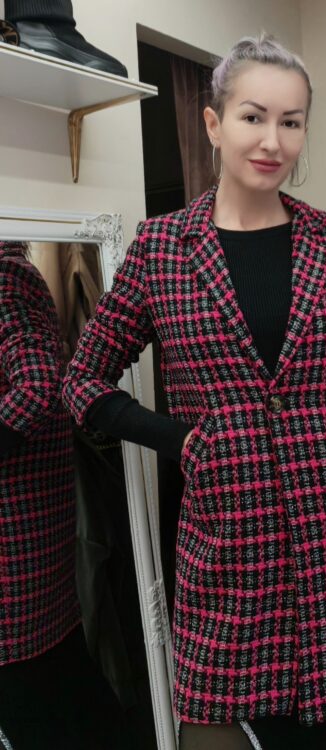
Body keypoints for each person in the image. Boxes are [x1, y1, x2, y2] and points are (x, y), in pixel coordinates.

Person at [62, 33, 326, 750]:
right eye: (253, 116)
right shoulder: (161, 249)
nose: (273, 140)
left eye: (291, 121)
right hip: (235, 560)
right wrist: (184, 439)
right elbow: (82, 383)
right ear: (213, 123)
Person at [0, 241, 132, 750]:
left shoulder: (6, 277)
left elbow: (37, 386)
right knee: (56, 678)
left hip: (16, 531)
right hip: (26, 526)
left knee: (33, 683)